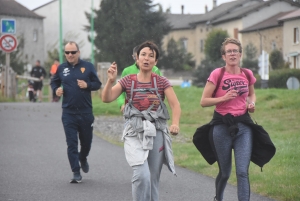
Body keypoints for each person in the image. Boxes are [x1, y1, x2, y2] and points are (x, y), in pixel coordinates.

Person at [194, 38, 275, 201]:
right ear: (224, 56)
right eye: (229, 51)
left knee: (242, 172)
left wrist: (251, 103)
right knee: (225, 172)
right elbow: (204, 101)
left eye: (235, 51)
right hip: (222, 127)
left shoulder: (247, 73)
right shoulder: (218, 74)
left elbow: (252, 93)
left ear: (240, 54)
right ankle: (219, 198)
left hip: (243, 127)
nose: (232, 54)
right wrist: (223, 98)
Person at [101, 41, 181, 201]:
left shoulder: (161, 82)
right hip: (134, 131)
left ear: (155, 62)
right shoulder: (127, 81)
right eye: (143, 55)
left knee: (153, 180)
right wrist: (110, 81)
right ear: (137, 59)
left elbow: (175, 104)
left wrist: (175, 123)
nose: (146, 58)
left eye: (151, 56)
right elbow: (107, 98)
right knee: (141, 174)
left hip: (156, 130)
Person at [50, 41, 102, 183]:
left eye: (73, 52)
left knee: (86, 143)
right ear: (65, 54)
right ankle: (75, 172)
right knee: (71, 143)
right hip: (68, 113)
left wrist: (88, 85)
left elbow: (98, 84)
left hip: (85, 112)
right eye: (67, 52)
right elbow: (54, 82)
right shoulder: (61, 68)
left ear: (78, 52)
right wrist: (56, 90)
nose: (70, 55)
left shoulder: (88, 66)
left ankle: (83, 157)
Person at [117, 45, 162, 113]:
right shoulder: (127, 71)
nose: (144, 59)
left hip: (152, 110)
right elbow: (120, 92)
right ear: (135, 57)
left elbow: (162, 90)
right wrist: (122, 104)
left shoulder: (155, 70)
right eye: (140, 56)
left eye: (150, 56)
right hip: (132, 110)